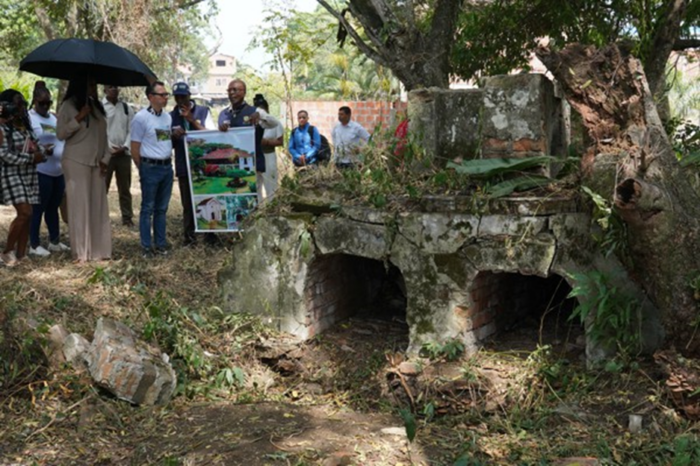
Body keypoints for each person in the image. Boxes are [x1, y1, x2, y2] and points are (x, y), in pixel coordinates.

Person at [56, 76, 112, 263]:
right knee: (79, 207)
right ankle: (80, 253)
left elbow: (104, 135)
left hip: (97, 163)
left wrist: (106, 158)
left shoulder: (97, 106)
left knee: (98, 206)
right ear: (79, 85)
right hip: (75, 160)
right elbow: (61, 133)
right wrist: (79, 117)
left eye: (95, 84)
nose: (94, 88)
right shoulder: (68, 106)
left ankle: (99, 251)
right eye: (90, 84)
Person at [218, 79, 282, 204]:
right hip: (232, 164)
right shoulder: (223, 114)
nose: (232, 93)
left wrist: (260, 116)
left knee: (253, 197)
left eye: (235, 90)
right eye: (229, 90)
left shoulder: (255, 111)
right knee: (235, 196)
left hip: (252, 163)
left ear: (244, 92)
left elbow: (274, 123)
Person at [0, 89, 45, 266]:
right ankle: (7, 252)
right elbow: (4, 155)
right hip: (11, 174)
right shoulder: (2, 128)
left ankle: (21, 253)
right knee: (24, 212)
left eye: (22, 103)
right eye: (17, 103)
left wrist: (41, 152)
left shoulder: (24, 126)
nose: (21, 106)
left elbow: (35, 145)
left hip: (29, 174)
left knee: (29, 214)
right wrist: (30, 158)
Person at [169, 81, 216, 246]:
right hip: (183, 165)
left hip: (204, 165)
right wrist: (173, 136)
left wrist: (192, 120)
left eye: (183, 96)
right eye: (177, 97)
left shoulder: (203, 111)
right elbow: (164, 143)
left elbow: (211, 135)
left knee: (208, 199)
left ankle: (211, 237)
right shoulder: (170, 115)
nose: (180, 100)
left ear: (190, 96)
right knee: (187, 204)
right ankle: (189, 238)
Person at [130, 81, 173, 258]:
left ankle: (161, 244)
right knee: (147, 208)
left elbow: (163, 139)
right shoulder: (140, 118)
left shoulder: (167, 117)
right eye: (161, 95)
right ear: (151, 97)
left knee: (161, 209)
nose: (165, 98)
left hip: (166, 167)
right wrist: (143, 168)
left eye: (165, 95)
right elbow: (135, 147)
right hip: (150, 167)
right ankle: (146, 246)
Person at [28, 84, 70, 257]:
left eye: (48, 103)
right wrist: (40, 148)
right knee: (38, 208)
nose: (45, 106)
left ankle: (54, 241)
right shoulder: (29, 118)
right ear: (35, 101)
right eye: (42, 103)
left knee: (53, 207)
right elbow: (28, 143)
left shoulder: (53, 117)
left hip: (57, 171)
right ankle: (34, 244)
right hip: (41, 171)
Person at [103, 85, 135, 227]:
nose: (113, 90)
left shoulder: (126, 108)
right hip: (106, 154)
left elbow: (132, 129)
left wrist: (125, 146)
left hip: (124, 154)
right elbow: (100, 130)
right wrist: (110, 147)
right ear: (104, 89)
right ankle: (100, 217)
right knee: (102, 187)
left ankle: (127, 218)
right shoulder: (100, 107)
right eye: (110, 87)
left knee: (125, 188)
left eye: (115, 87)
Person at [253, 94, 283, 201]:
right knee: (256, 185)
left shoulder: (275, 122)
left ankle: (272, 207)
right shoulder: (253, 124)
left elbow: (280, 141)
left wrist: (266, 142)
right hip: (256, 156)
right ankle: (258, 208)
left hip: (268, 155)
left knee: (270, 184)